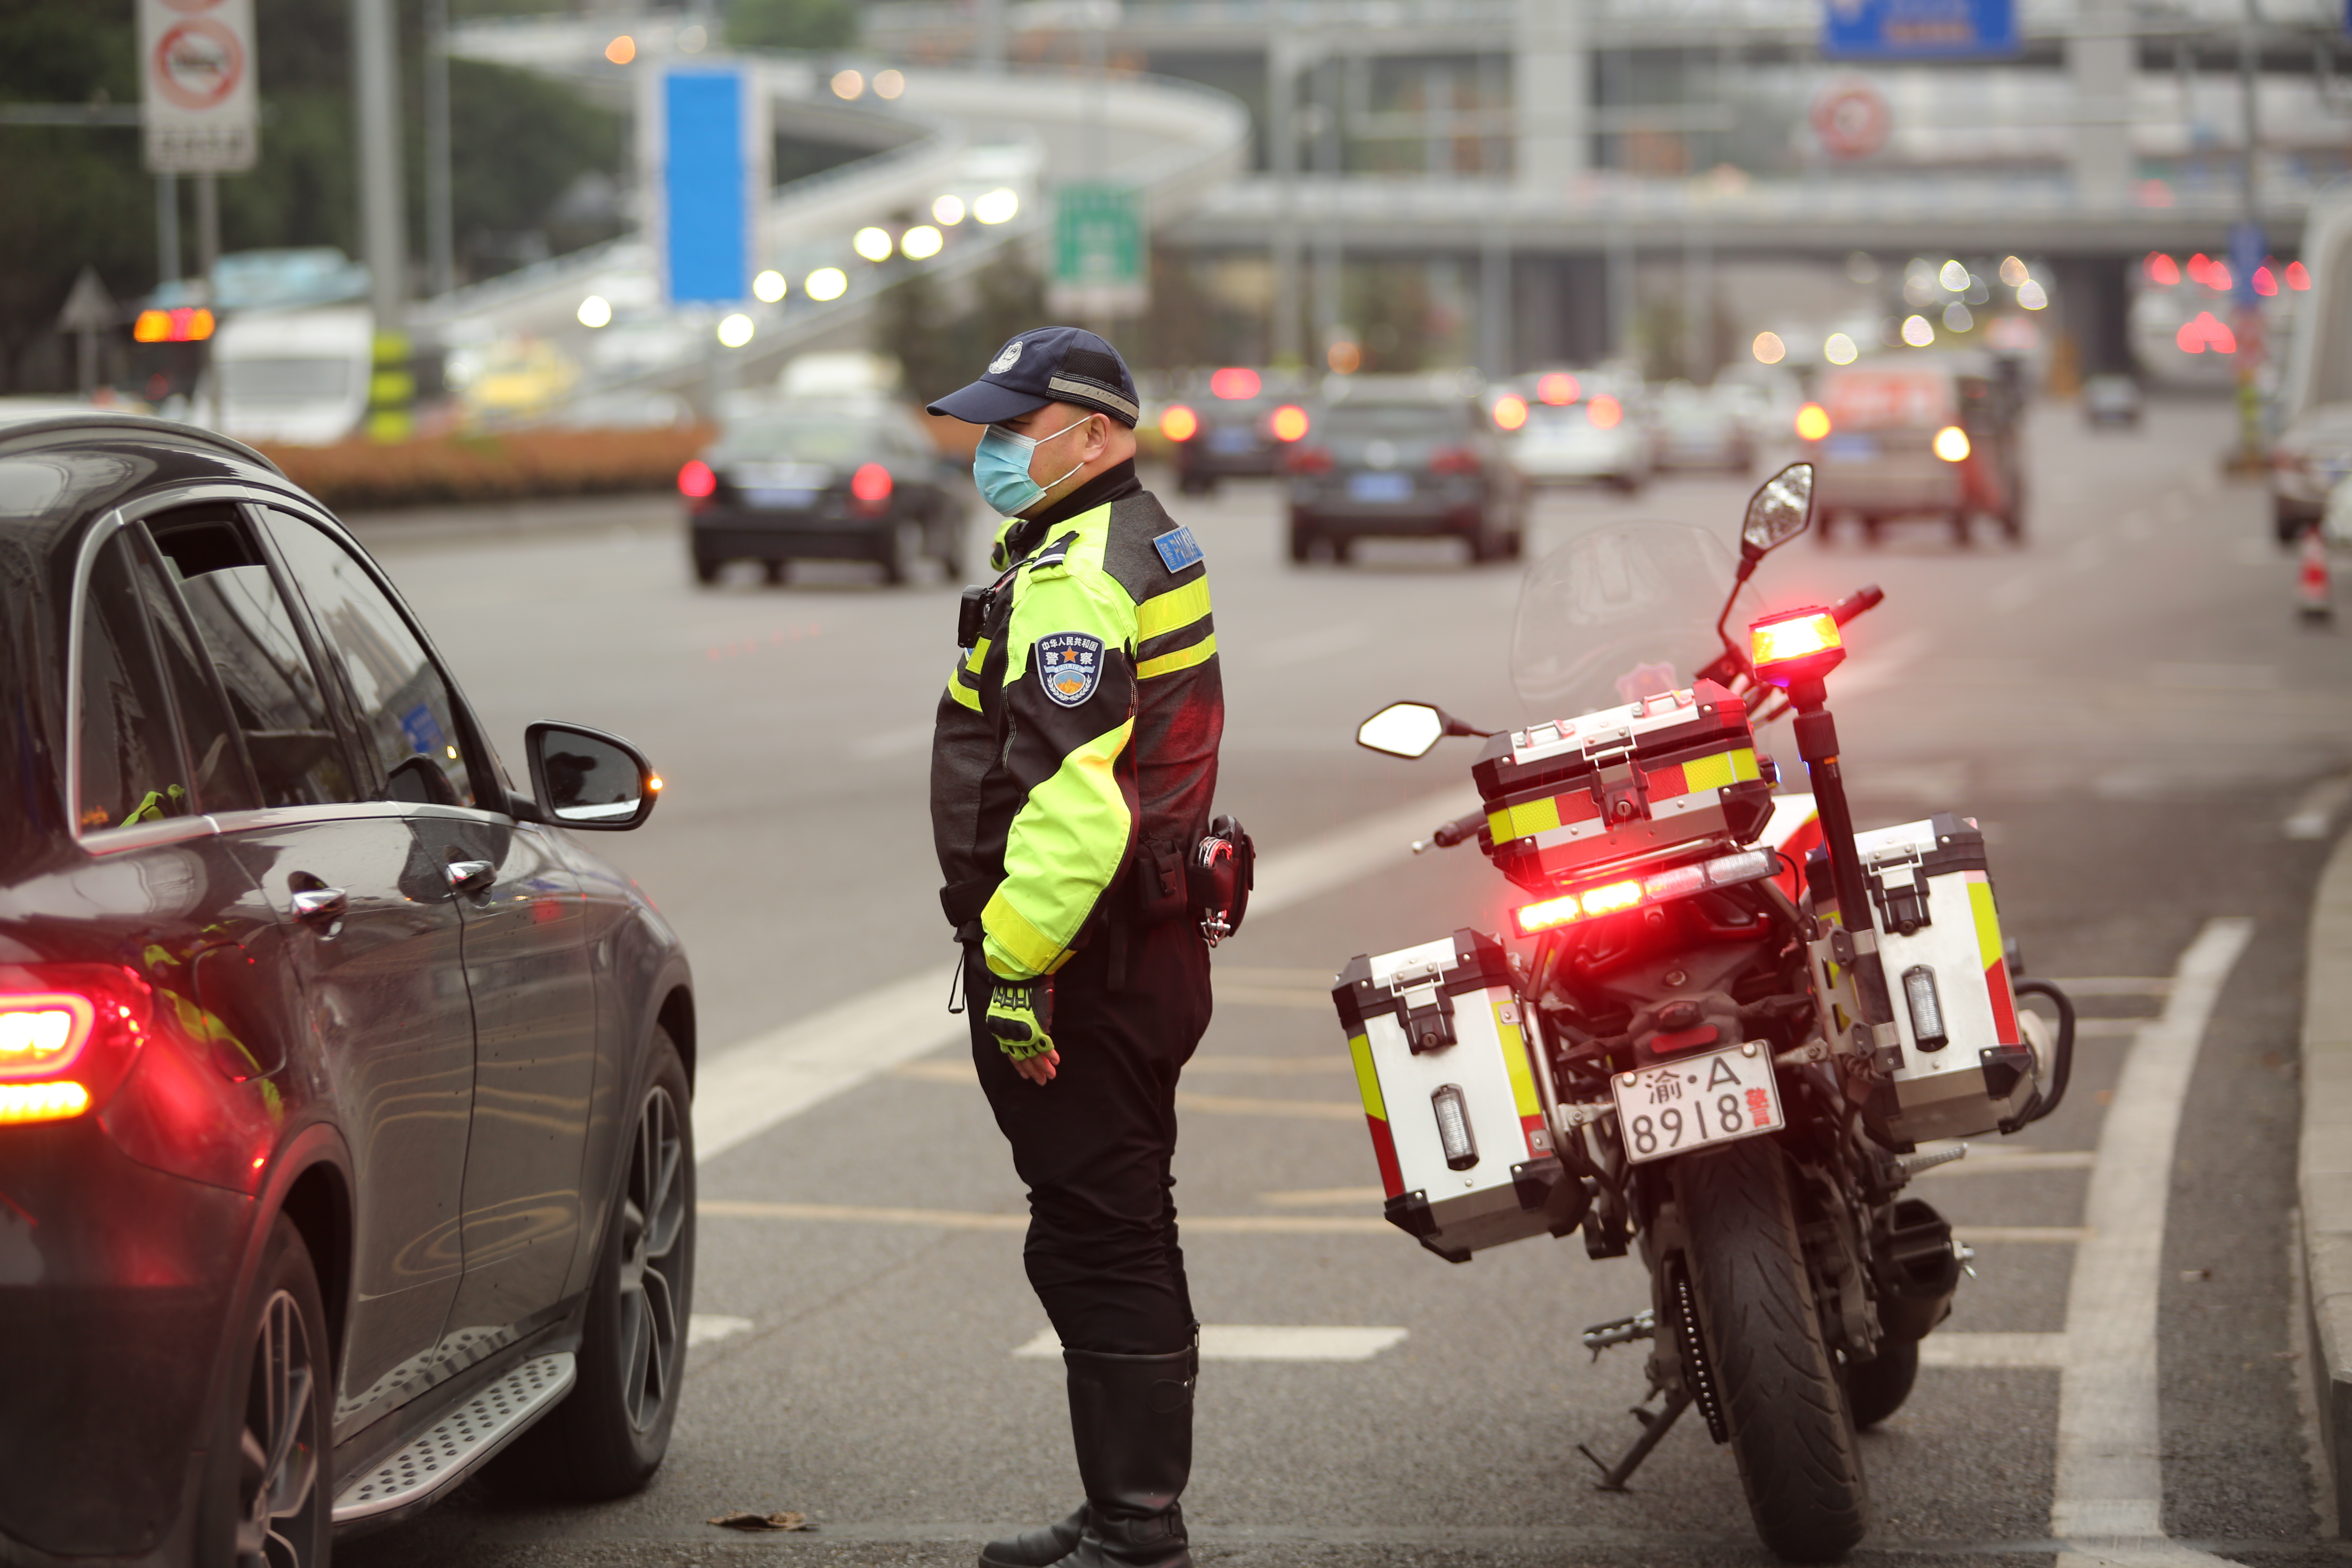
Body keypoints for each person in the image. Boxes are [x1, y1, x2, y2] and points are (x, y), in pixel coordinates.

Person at [926, 327, 1223, 1568]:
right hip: (1140, 943)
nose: (994, 449)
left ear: (1096, 435)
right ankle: (1122, 1511)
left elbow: (1074, 803)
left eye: (1016, 427)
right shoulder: (1133, 533)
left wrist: (1011, 970)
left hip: (1085, 961)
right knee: (1113, 1220)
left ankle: (1138, 1528)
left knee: (1099, 1233)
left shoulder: (1076, 574)